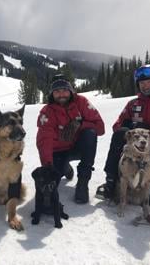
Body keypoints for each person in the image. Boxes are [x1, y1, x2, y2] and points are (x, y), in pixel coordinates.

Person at [95, 64, 150, 208]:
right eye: (142, 83)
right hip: (134, 153)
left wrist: (148, 130)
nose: (146, 86)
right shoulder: (133, 104)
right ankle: (111, 182)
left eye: (149, 82)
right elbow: (117, 126)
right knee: (119, 134)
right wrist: (131, 130)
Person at [36, 74, 105, 204]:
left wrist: (80, 125)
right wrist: (47, 167)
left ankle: (83, 183)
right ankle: (65, 168)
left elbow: (100, 128)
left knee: (90, 133)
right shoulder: (46, 112)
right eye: (57, 91)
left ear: (71, 90)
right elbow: (44, 141)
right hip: (58, 151)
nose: (61, 94)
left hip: (77, 147)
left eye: (64, 90)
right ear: (51, 93)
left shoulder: (82, 102)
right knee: (53, 178)